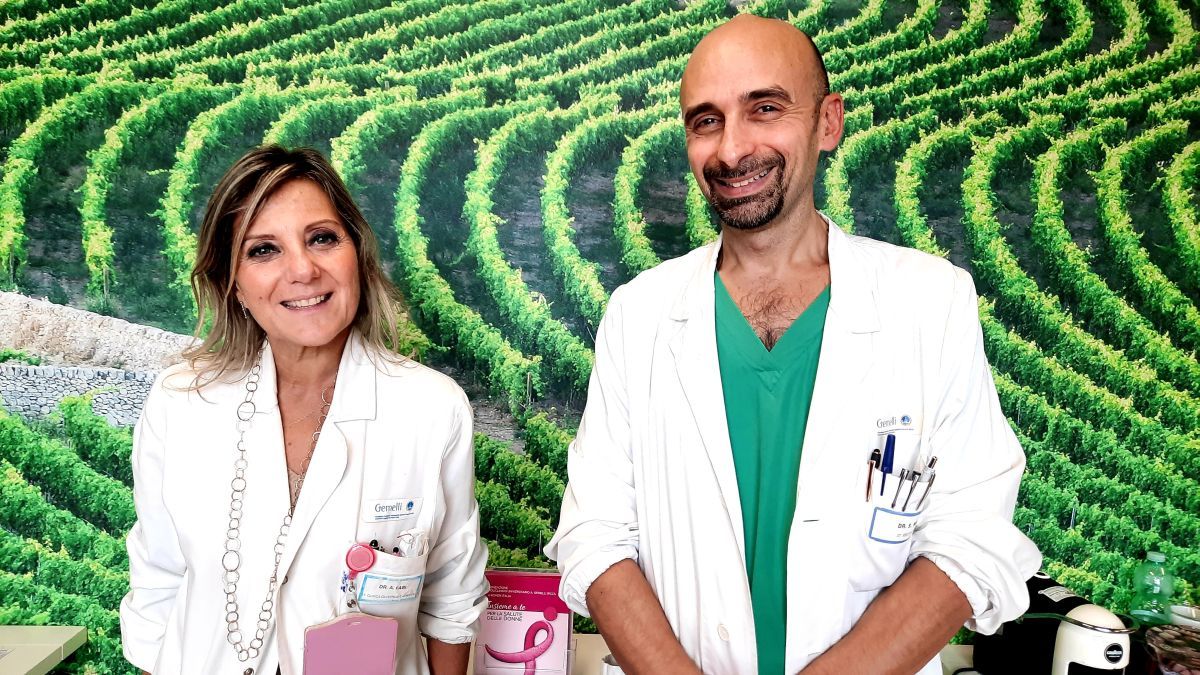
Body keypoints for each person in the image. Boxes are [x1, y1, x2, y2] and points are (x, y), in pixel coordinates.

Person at [545, 15, 1041, 675]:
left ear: (828, 122)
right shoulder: (640, 316)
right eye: (706, 121)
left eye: (765, 109)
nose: (731, 150)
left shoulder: (930, 302)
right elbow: (596, 534)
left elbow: (970, 537)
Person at [119, 145, 488, 674]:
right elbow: (157, 585)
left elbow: (451, 599)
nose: (302, 270)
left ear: (357, 254)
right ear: (233, 284)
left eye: (321, 239)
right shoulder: (181, 403)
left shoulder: (431, 408)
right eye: (263, 250)